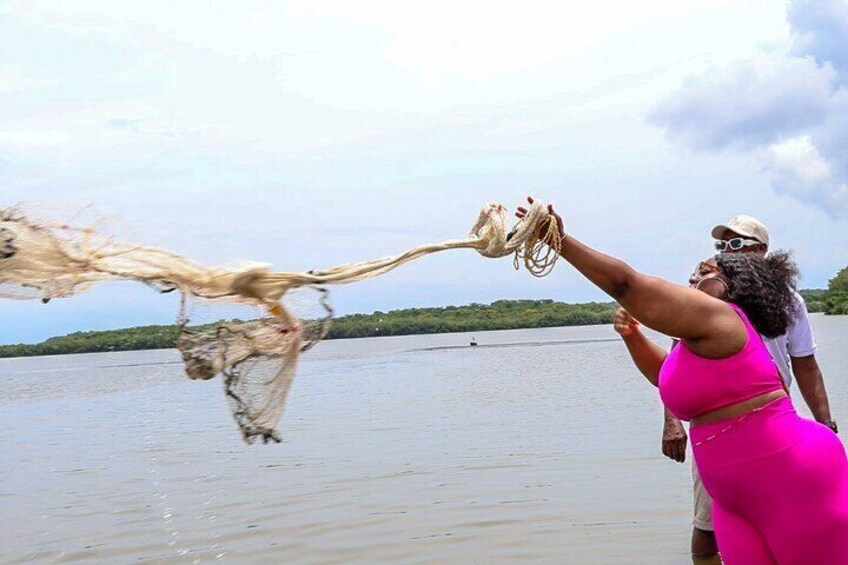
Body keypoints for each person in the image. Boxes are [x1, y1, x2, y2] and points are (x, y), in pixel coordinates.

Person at [516, 198, 848, 564]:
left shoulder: (723, 320)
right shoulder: (699, 337)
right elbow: (667, 378)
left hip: (788, 474)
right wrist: (634, 338)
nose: (694, 278)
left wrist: (560, 241)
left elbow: (626, 285)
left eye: (706, 272)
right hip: (732, 493)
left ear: (733, 285)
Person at [646, 216, 838, 562]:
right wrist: (672, 421)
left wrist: (826, 425)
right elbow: (674, 367)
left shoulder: (789, 300)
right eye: (722, 245)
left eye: (736, 244)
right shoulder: (699, 303)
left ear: (761, 250)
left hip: (774, 425)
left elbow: (805, 364)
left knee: (792, 523)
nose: (725, 252)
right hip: (717, 431)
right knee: (707, 527)